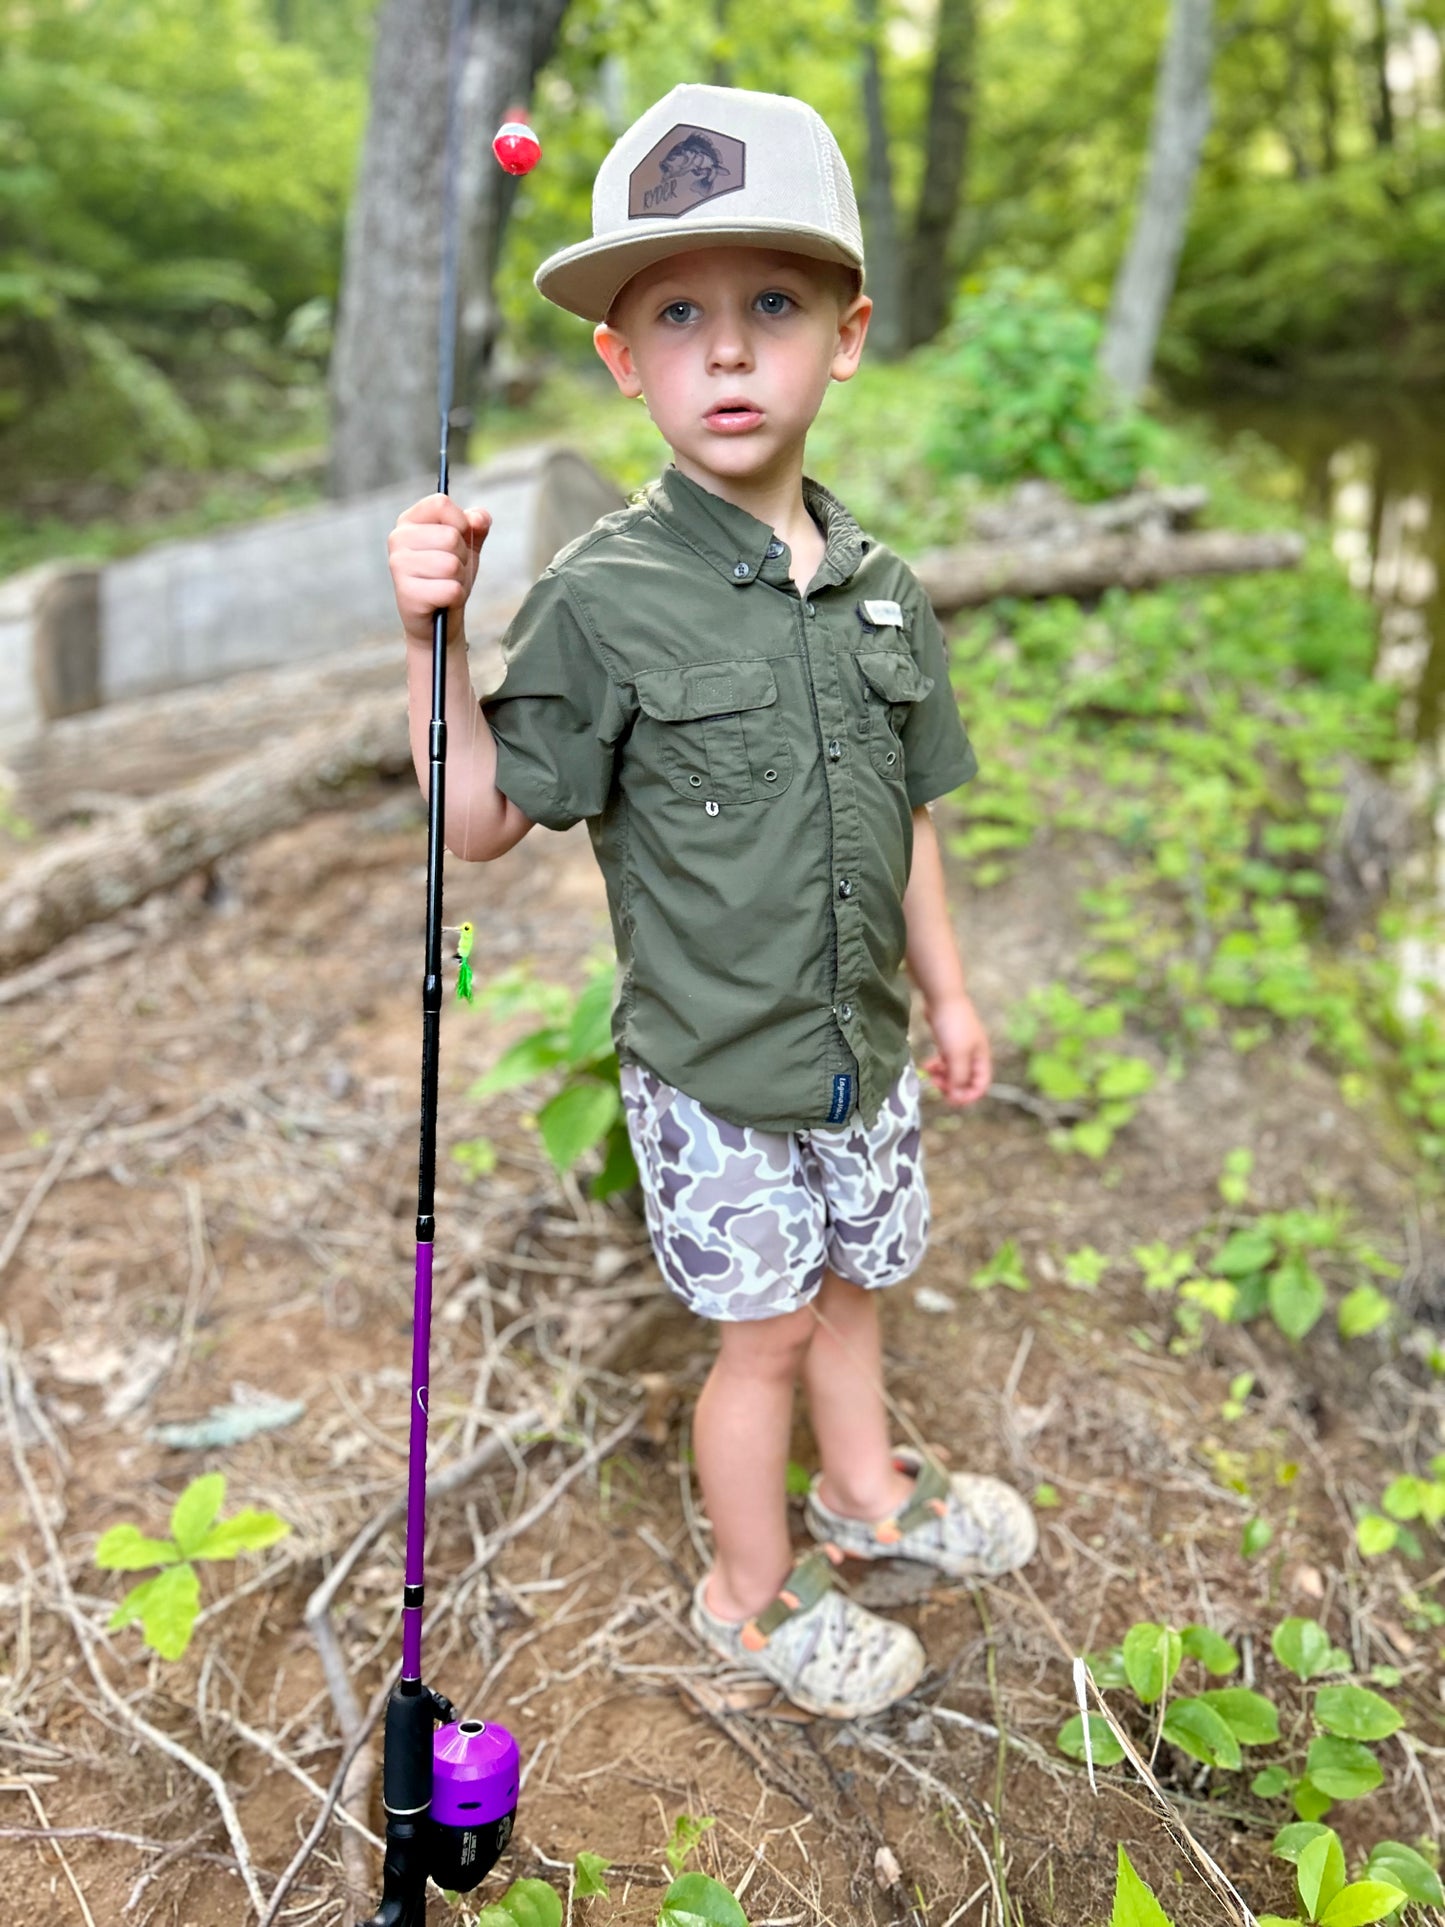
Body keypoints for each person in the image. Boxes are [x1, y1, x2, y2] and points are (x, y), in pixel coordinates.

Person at [387, 82, 1037, 1719]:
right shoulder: (605, 597)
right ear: (621, 355)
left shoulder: (883, 591)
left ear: (848, 333)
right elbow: (477, 823)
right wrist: (427, 650)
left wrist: (946, 992)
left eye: (772, 305)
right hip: (713, 1080)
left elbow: (910, 825)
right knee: (756, 1341)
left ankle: (867, 1493)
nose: (728, 351)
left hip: (860, 1056)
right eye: (677, 314)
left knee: (857, 1288)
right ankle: (749, 1595)